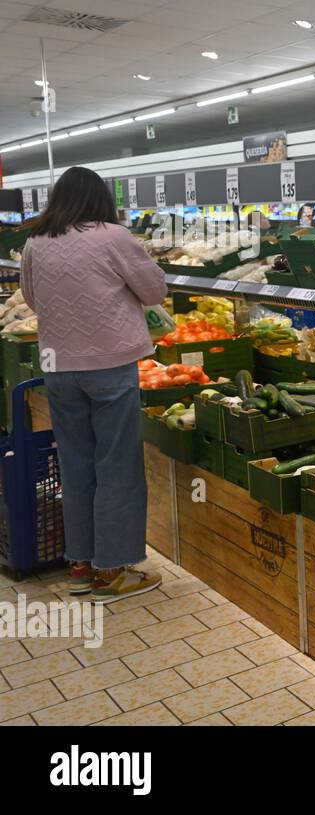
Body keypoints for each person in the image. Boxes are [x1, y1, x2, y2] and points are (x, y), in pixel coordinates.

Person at [20, 166, 167, 603]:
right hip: (110, 366)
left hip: (59, 368)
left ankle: (80, 566)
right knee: (117, 465)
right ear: (101, 198)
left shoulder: (35, 243)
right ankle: (112, 572)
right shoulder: (113, 236)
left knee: (76, 464)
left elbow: (31, 298)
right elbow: (154, 290)